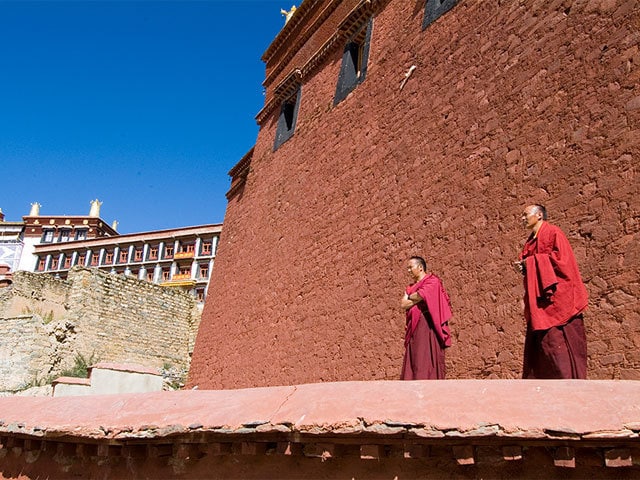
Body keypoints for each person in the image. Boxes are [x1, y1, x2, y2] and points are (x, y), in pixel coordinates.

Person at [515, 204, 589, 379]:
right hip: (541, 302)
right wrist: (526, 266)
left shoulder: (553, 233)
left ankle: (570, 384)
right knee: (546, 346)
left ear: (539, 215)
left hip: (558, 298)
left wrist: (531, 263)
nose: (522, 218)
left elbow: (563, 262)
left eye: (525, 215)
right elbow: (535, 263)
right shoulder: (530, 241)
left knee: (560, 346)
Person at [400, 256, 452, 380]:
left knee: (426, 356)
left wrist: (411, 296)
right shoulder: (410, 287)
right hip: (414, 327)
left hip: (427, 324)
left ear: (420, 267)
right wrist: (418, 297)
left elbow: (419, 296)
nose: (408, 271)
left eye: (410, 267)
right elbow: (403, 304)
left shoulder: (432, 281)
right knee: (415, 356)